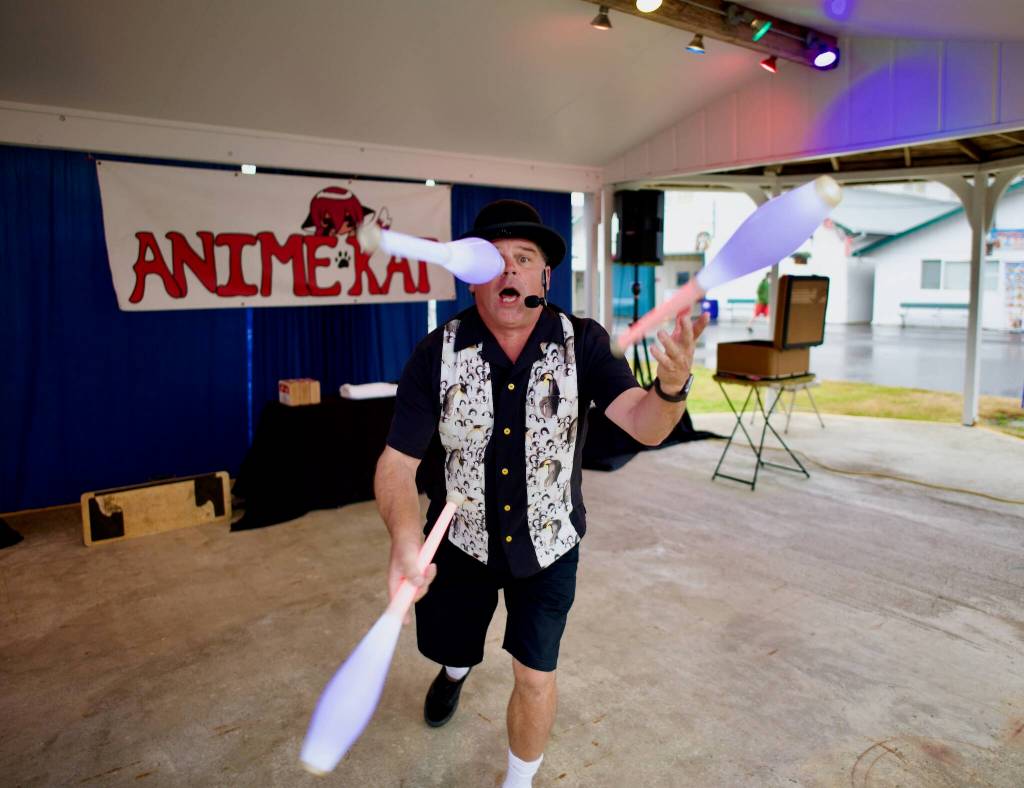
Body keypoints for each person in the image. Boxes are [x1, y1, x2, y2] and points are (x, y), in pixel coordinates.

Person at [374, 199, 708, 787]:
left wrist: (672, 386)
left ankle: (518, 781)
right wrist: (405, 539)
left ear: (544, 277)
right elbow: (397, 464)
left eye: (523, 260)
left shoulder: (582, 344)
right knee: (455, 648)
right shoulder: (436, 353)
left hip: (549, 545)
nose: (509, 272)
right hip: (460, 544)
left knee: (534, 675)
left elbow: (644, 423)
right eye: (493, 260)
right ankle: (455, 670)